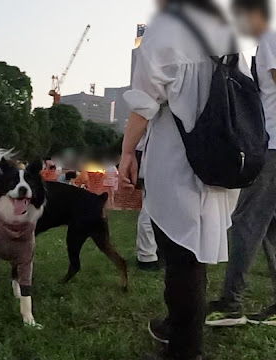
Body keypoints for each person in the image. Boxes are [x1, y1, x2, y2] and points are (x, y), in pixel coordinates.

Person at [119, 1, 237, 359]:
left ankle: (185, 348)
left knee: (180, 257)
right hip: (219, 154)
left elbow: (143, 104)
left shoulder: (165, 32)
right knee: (191, 254)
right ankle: (178, 327)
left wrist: (127, 152)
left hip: (178, 158)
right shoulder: (223, 30)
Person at [205, 0, 276, 327]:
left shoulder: (273, 37)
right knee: (269, 228)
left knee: (246, 222)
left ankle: (231, 304)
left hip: (273, 146)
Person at [135, 129, 159, 272]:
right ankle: (146, 255)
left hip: (153, 157)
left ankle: (150, 252)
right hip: (153, 159)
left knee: (154, 209)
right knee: (149, 210)